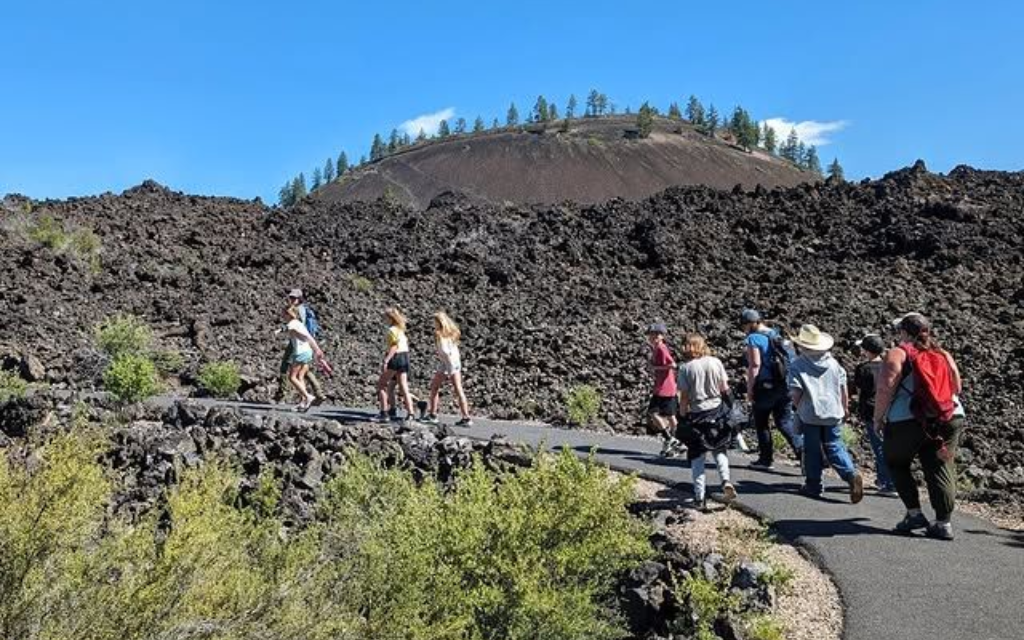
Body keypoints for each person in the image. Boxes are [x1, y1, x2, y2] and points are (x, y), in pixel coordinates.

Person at [873, 313, 966, 540]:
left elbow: (886, 388)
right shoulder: (942, 353)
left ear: (904, 332)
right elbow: (957, 386)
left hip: (908, 418)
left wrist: (878, 418)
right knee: (940, 465)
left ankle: (914, 514)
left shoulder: (898, 353)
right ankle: (943, 523)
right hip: (949, 416)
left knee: (896, 461)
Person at [787, 324, 864, 503]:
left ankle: (813, 486)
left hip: (810, 413)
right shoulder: (833, 363)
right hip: (833, 411)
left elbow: (796, 393)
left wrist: (798, 408)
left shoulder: (798, 364)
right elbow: (843, 387)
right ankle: (851, 475)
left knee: (812, 449)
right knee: (834, 445)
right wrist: (844, 407)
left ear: (802, 345)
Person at [677, 334, 737, 510]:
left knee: (697, 456)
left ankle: (699, 496)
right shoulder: (715, 362)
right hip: (717, 410)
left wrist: (682, 416)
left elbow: (684, 398)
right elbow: (724, 388)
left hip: (697, 414)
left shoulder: (685, 368)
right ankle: (725, 480)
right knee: (720, 449)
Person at [740, 309, 803, 469]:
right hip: (784, 385)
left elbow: (755, 365)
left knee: (761, 423)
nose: (744, 329)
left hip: (765, 387)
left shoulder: (753, 338)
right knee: (784, 421)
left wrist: (750, 388)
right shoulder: (776, 334)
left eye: (745, 325)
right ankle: (805, 456)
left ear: (752, 324)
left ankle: (765, 460)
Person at [852, 334, 896, 496]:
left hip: (871, 411)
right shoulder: (889, 366)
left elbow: (859, 389)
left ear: (866, 350)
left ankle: (889, 483)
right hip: (890, 410)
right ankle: (883, 479)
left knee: (879, 447)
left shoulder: (863, 369)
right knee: (887, 445)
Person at [274, 289, 326, 405]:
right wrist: (316, 349)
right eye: (291, 297)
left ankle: (282, 393)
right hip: (306, 344)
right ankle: (317, 393)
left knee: (286, 367)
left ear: (300, 299)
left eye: (294, 298)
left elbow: (292, 326)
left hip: (298, 344)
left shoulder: (297, 311)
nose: (291, 300)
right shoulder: (305, 310)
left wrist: (278, 330)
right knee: (303, 371)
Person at [425, 312, 473, 427]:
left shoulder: (439, 334)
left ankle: (434, 415)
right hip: (453, 362)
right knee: (454, 389)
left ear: (438, 322)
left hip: (448, 363)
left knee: (437, 387)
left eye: (434, 322)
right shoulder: (451, 333)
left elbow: (445, 352)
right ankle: (465, 417)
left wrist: (450, 368)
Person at [373, 307, 415, 424]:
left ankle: (384, 413)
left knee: (381, 384)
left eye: (385, 317)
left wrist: (386, 360)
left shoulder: (391, 330)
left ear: (389, 318)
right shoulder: (400, 329)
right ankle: (410, 413)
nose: (383, 319)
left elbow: (394, 346)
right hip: (404, 357)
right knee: (402, 386)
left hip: (395, 357)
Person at [646, 323, 683, 456]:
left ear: (662, 336)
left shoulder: (661, 348)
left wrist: (654, 368)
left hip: (664, 388)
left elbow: (672, 365)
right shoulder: (657, 348)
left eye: (657, 334)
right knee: (671, 416)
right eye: (651, 334)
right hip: (665, 387)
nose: (653, 337)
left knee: (653, 413)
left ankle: (670, 439)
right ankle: (675, 443)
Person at [282, 305, 325, 412]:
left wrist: (278, 331)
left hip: (300, 353)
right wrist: (317, 350)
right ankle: (304, 402)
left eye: (283, 313)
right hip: (308, 351)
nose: (282, 315)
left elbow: (287, 327)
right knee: (301, 376)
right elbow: (309, 337)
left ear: (288, 314)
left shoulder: (292, 323)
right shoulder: (300, 324)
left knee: (292, 377)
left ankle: (308, 396)